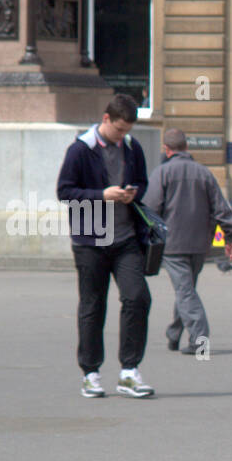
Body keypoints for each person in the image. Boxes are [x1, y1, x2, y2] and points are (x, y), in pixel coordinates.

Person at [56, 93, 154, 398]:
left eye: (128, 131)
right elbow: (65, 191)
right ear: (106, 119)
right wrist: (102, 195)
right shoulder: (80, 150)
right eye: (119, 130)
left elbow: (143, 182)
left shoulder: (132, 147)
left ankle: (129, 371)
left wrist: (132, 193)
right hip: (90, 242)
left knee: (138, 298)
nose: (123, 136)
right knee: (93, 306)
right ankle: (91, 373)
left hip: (126, 239)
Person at [141, 128, 232, 355]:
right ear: (186, 147)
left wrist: (146, 238)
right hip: (199, 244)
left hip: (173, 245)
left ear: (167, 150)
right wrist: (231, 237)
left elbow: (150, 210)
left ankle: (199, 340)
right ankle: (174, 333)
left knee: (185, 292)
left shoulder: (162, 173)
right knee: (187, 290)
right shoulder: (204, 173)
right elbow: (221, 210)